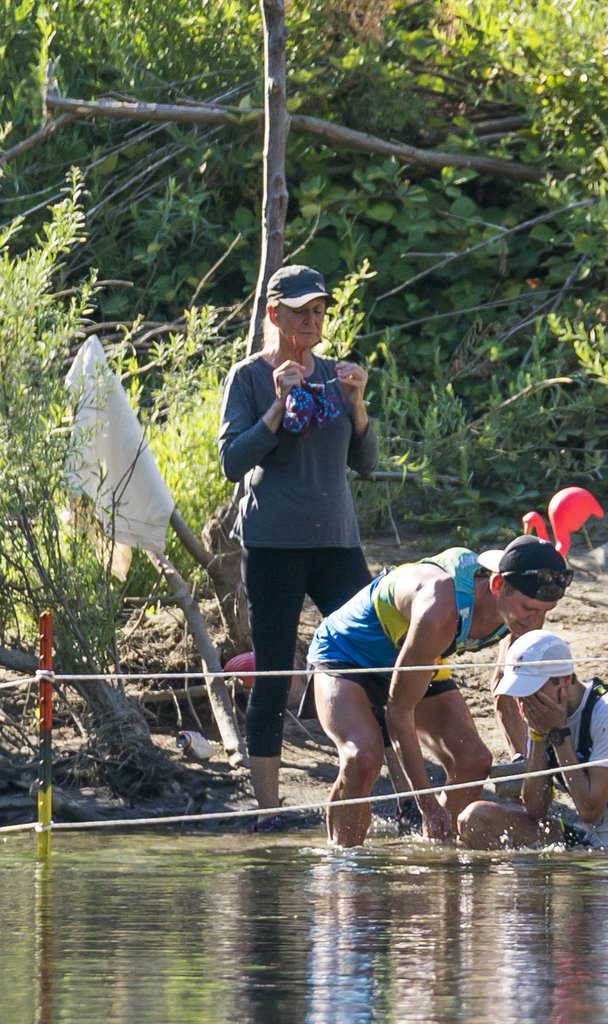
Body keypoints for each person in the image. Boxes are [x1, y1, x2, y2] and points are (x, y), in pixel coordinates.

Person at [217, 264, 378, 830]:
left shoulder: (338, 374)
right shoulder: (250, 377)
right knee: (273, 675)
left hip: (336, 542)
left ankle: (386, 788)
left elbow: (366, 463)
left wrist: (357, 405)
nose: (312, 320)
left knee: (375, 656)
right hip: (274, 544)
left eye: (319, 311)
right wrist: (277, 403)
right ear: (274, 315)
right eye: (301, 311)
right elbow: (233, 460)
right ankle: (267, 809)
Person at [307, 535, 572, 847]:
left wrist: (521, 757)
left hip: (420, 654)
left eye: (546, 610)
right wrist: (427, 805)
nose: (536, 621)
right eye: (529, 609)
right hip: (347, 654)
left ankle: (436, 850)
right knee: (362, 756)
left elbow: (504, 689)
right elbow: (398, 711)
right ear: (498, 585)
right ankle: (345, 868)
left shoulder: (521, 613)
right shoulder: (440, 608)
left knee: (473, 760)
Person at [458, 629, 608, 853]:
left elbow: (590, 810)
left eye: (531, 690)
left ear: (564, 682)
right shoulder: (542, 712)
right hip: (591, 841)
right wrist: (537, 736)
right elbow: (536, 809)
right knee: (475, 819)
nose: (525, 701)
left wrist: (558, 734)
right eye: (519, 692)